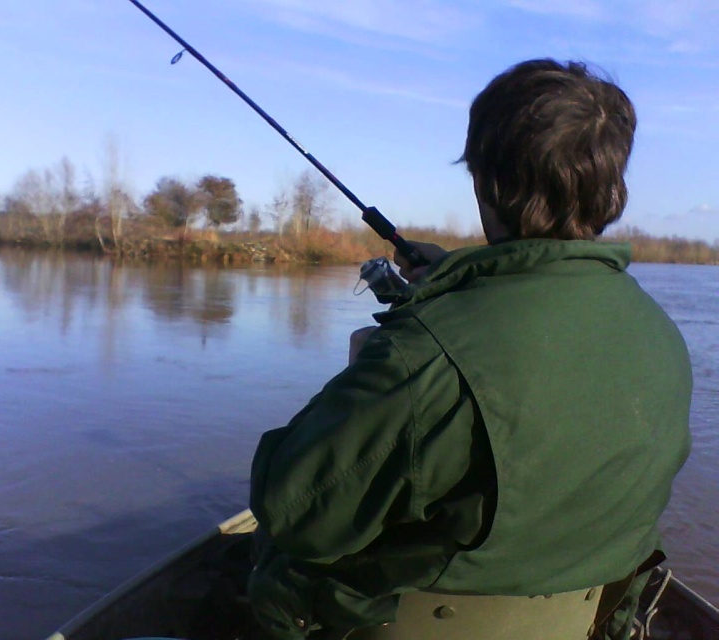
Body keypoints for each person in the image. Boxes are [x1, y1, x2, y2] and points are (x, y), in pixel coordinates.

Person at [246, 59, 692, 640]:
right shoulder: (661, 333)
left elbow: (293, 508)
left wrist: (396, 348)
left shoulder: (424, 352)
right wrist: (457, 278)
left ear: (488, 183)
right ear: (610, 188)